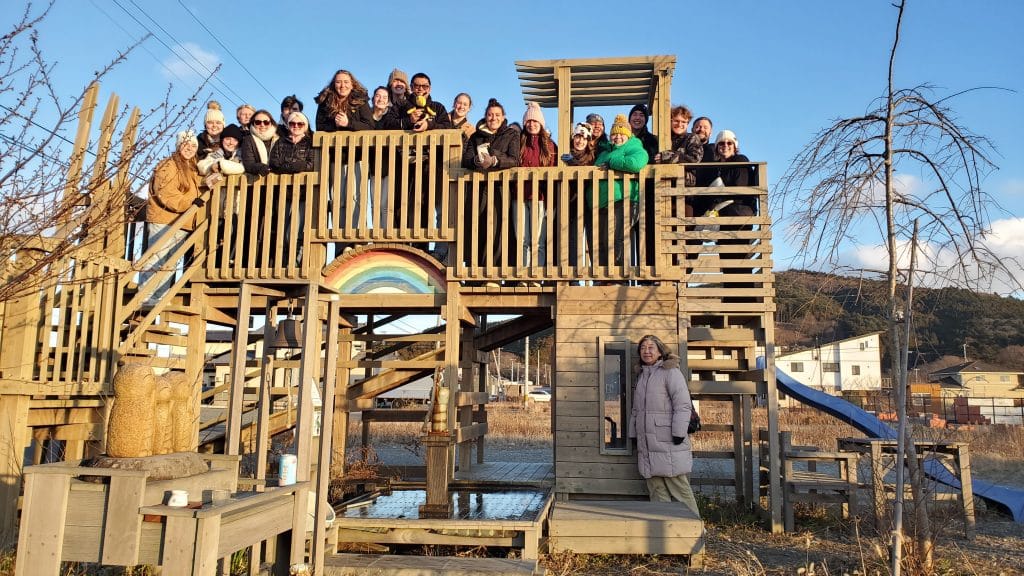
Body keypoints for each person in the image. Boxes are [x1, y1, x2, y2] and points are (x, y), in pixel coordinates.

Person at [629, 334, 700, 518]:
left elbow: (682, 404)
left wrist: (678, 433)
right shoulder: (642, 375)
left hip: (668, 440)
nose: (647, 351)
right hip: (647, 442)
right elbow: (636, 410)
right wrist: (633, 434)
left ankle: (694, 527)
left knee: (678, 487)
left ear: (660, 351)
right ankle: (664, 531)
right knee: (656, 489)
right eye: (643, 348)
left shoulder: (671, 372)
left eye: (651, 347)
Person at [141, 130, 202, 307]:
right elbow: (166, 193)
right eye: (185, 144)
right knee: (156, 256)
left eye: (192, 146)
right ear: (178, 145)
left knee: (170, 262)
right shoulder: (169, 165)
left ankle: (158, 297)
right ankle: (144, 295)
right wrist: (190, 203)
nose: (189, 148)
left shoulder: (192, 168)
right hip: (164, 219)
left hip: (182, 222)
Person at [462, 98, 520, 278]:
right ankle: (476, 273)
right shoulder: (476, 136)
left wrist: (494, 159)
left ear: (503, 117)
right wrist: (476, 161)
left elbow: (514, 159)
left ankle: (495, 273)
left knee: (499, 229)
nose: (493, 118)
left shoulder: (511, 134)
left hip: (501, 189)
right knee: (476, 228)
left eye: (497, 115)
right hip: (479, 190)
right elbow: (465, 159)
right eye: (489, 115)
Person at [588, 114, 649, 269]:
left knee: (615, 238)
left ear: (628, 135)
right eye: (614, 134)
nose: (618, 137)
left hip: (623, 200)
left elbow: (637, 163)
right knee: (601, 240)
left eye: (622, 134)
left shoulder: (635, 147)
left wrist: (612, 162)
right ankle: (602, 276)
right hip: (602, 202)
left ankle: (617, 275)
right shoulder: (604, 152)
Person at [519, 102, 557, 273]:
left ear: (541, 123)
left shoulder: (549, 145)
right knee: (522, 239)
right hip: (518, 195)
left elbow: (553, 169)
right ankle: (523, 274)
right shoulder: (519, 142)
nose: (532, 124)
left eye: (535, 121)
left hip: (539, 196)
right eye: (529, 121)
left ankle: (535, 275)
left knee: (537, 239)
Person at [654, 105, 704, 186]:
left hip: (684, 187)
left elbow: (695, 160)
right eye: (676, 121)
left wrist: (669, 156)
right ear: (670, 121)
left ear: (687, 124)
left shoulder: (691, 137)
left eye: (683, 122)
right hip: (661, 185)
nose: (679, 124)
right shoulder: (663, 139)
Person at [239, 109, 278, 178]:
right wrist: (261, 167)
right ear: (253, 124)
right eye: (258, 122)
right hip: (257, 183)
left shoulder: (278, 139)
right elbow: (249, 164)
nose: (262, 125)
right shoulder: (248, 140)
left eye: (266, 122)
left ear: (271, 123)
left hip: (279, 181)